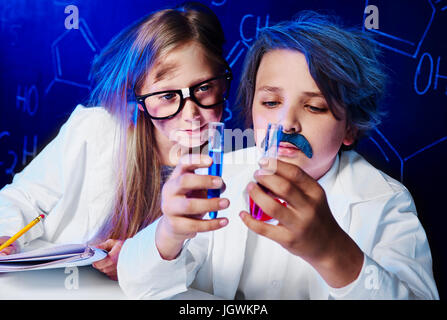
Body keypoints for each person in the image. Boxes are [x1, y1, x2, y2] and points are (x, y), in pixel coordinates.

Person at [117, 11, 439, 299]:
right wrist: (168, 234)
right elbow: (140, 285)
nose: (286, 123)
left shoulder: (385, 202)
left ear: (350, 129)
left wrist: (333, 252)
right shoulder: (219, 176)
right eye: (270, 103)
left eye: (315, 107)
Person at [0, 2, 232, 281]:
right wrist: (5, 232)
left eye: (204, 88)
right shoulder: (96, 129)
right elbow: (22, 198)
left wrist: (138, 259)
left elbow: (203, 274)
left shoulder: (234, 167)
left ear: (222, 80)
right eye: (168, 96)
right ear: (142, 101)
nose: (191, 113)